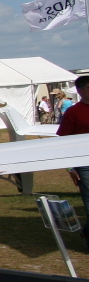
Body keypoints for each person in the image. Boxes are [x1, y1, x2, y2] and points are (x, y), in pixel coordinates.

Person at [56, 75, 89, 246]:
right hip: (84, 164)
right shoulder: (73, 112)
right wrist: (69, 167)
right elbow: (62, 141)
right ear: (80, 91)